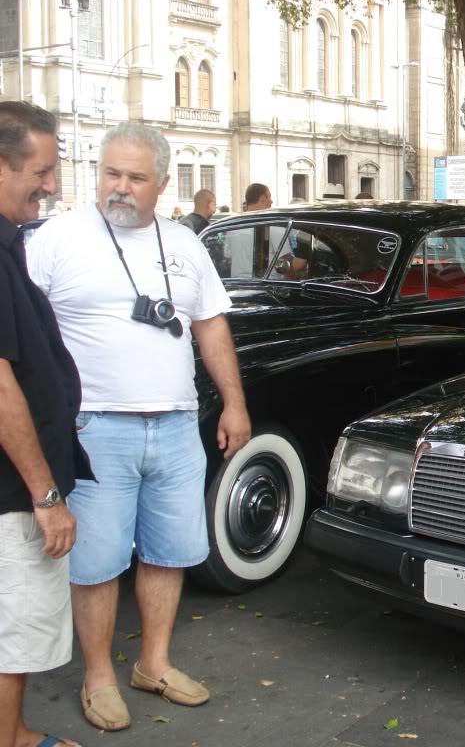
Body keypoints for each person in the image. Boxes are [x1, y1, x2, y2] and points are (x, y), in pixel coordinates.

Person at [27, 122, 252, 733]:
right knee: (96, 562)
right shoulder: (57, 237)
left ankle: (153, 664)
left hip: (177, 425)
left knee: (168, 552)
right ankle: (98, 676)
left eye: (135, 178)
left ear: (163, 183)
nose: (119, 188)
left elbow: (210, 327)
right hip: (93, 427)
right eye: (110, 174)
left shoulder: (183, 242)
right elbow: (25, 336)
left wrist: (234, 403)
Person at [0, 101, 90, 747]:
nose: (52, 185)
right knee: (15, 627)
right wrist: (45, 493)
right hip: (13, 496)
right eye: (42, 169)